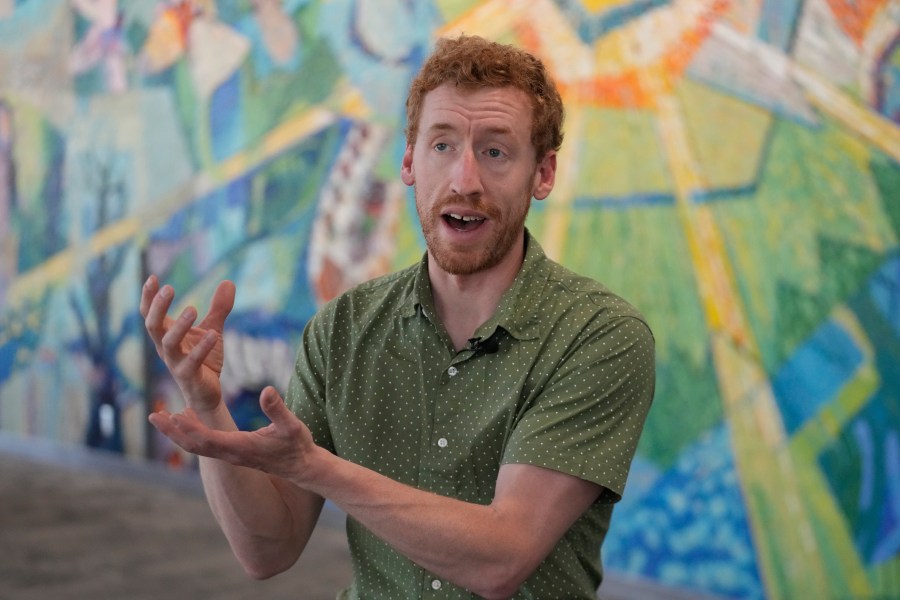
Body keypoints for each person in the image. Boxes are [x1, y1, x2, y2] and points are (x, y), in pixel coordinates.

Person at [141, 34, 655, 599]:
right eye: (442, 146)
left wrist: (316, 467)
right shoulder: (342, 330)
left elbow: (501, 558)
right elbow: (268, 549)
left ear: (544, 173)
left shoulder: (597, 337)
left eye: (495, 151)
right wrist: (210, 408)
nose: (465, 180)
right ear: (409, 160)